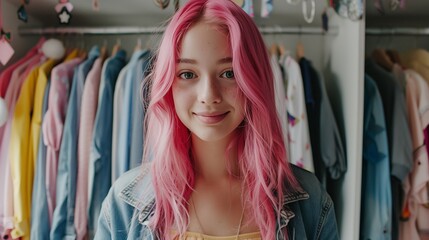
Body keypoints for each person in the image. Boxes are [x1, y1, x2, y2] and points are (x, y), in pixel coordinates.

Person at [94, 0, 339, 239]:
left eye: (229, 73)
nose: (209, 95)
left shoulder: (310, 201)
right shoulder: (125, 203)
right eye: (188, 74)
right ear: (167, 84)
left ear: (254, 80)